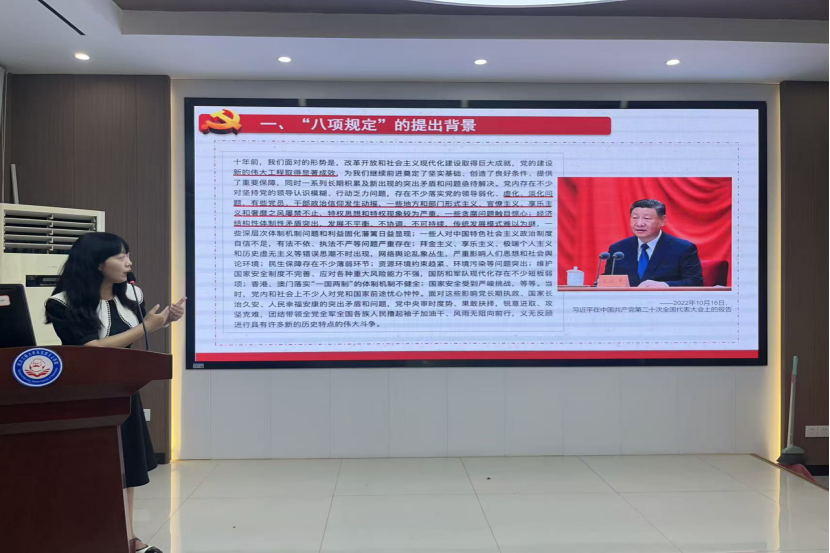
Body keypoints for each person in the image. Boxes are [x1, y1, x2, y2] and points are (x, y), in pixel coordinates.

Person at [45, 232, 185, 553]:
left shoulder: (132, 294)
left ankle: (127, 538)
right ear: (97, 263)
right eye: (121, 257)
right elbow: (91, 349)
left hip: (124, 392)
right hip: (85, 397)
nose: (129, 263)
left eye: (128, 256)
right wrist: (146, 326)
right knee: (92, 471)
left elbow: (133, 335)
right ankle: (89, 537)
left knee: (127, 469)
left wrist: (163, 320)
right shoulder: (62, 303)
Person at [604, 199, 704, 287]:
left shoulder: (683, 249)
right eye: (635, 218)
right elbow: (608, 280)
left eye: (646, 218)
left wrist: (665, 285)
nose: (639, 223)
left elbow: (695, 282)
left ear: (662, 221)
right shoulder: (618, 249)